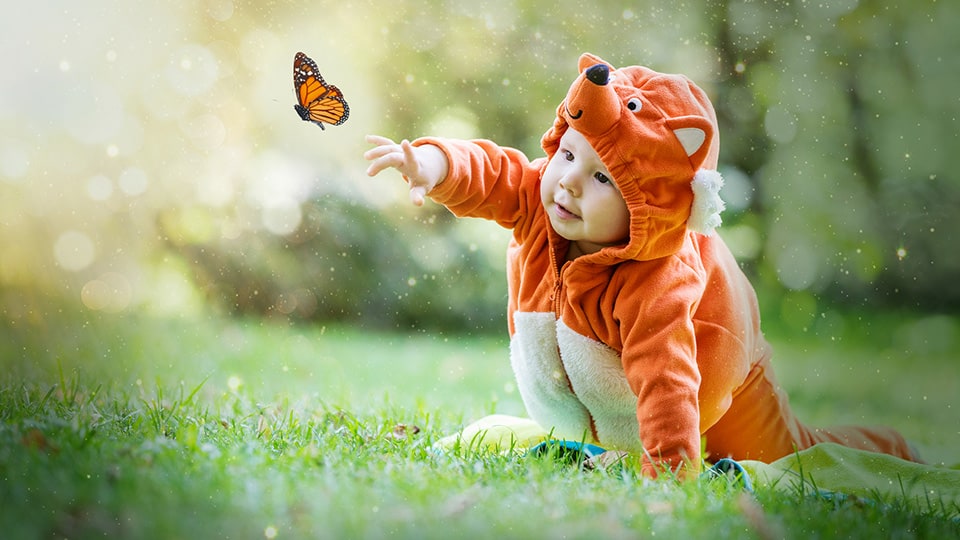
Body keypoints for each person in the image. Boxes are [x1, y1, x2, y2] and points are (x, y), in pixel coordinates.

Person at [363, 52, 919, 478]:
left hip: (723, 380)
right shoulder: (541, 200)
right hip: (613, 395)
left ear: (643, 206)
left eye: (602, 177)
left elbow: (668, 385)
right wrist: (432, 164)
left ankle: (890, 447)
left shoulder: (657, 284)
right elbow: (492, 171)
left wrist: (668, 476)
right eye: (568, 154)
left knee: (790, 458)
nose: (569, 183)